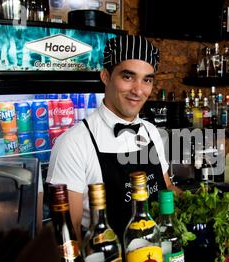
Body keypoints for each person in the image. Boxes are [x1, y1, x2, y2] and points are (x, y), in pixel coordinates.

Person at [46, 34, 181, 241]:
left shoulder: (151, 131)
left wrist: (206, 205)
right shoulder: (73, 144)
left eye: (147, 80)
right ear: (106, 77)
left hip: (159, 260)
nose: (138, 90)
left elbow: (166, 189)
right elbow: (68, 235)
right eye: (128, 77)